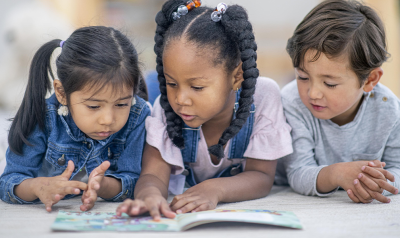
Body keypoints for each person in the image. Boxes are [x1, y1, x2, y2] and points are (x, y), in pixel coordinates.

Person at [116, 0, 293, 220]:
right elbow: (153, 174)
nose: (180, 99)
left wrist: (214, 190)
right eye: (172, 84)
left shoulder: (263, 96)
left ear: (237, 76)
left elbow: (262, 176)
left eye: (197, 87)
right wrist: (150, 196)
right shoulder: (166, 108)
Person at [0, 26, 151, 212]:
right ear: (62, 93)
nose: (108, 119)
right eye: (94, 106)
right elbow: (9, 181)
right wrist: (37, 187)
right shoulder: (42, 116)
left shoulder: (138, 114)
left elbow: (136, 180)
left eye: (121, 104)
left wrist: (102, 186)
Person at [276, 0, 399, 203]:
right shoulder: (292, 102)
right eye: (303, 77)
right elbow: (297, 173)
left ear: (370, 80)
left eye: (330, 83)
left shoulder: (389, 110)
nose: (313, 93)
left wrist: (374, 184)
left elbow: (398, 168)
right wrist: (336, 174)